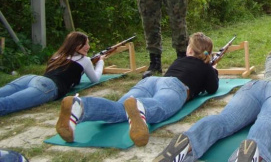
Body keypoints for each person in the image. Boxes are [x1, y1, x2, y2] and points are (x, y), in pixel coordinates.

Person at [155, 24, 271, 162]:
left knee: (224, 119)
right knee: (269, 122)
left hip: (255, 87)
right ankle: (255, 152)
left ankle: (188, 142)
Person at [55, 32, 218, 147]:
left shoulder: (179, 60)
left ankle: (80, 107)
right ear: (207, 53)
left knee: (119, 109)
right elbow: (212, 88)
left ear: (189, 50)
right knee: (160, 108)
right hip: (176, 87)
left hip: (152, 82)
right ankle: (140, 108)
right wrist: (214, 70)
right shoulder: (206, 68)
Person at [0, 31, 104, 116]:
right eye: (85, 43)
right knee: (7, 104)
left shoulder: (58, 56)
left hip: (30, 78)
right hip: (48, 86)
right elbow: (95, 79)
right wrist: (100, 62)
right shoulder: (85, 60)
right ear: (76, 45)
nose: (88, 46)